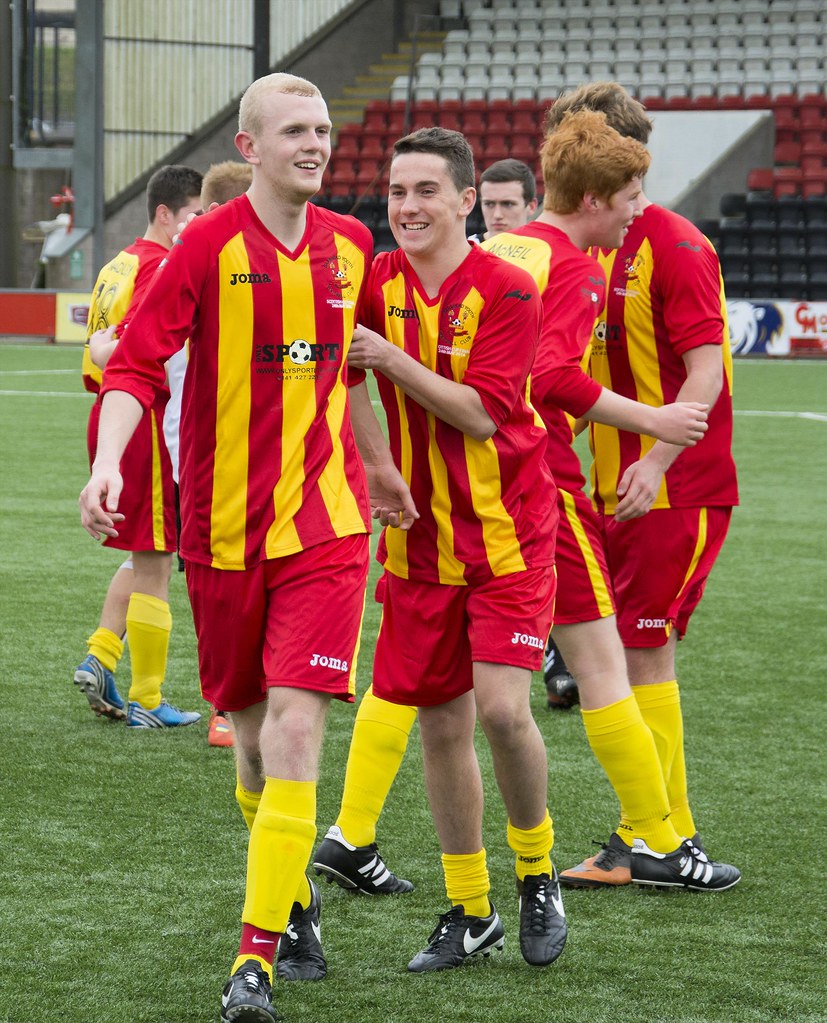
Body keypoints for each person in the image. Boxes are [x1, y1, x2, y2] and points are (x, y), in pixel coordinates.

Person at [79, 72, 415, 1023]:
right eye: (296, 131)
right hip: (220, 536)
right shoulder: (200, 250)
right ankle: (293, 893)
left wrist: (380, 468)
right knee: (257, 747)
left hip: (327, 527)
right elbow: (136, 368)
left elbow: (354, 368)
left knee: (300, 730)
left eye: (324, 130)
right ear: (251, 143)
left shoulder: (352, 247)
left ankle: (255, 957)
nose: (318, 144)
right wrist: (107, 465)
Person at [482, 108, 739, 893]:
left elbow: (705, 370)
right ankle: (651, 835)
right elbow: (549, 373)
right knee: (615, 653)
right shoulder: (560, 251)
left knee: (636, 649)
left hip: (669, 487)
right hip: (584, 482)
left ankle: (657, 831)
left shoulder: (674, 244)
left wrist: (658, 455)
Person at [312, 152, 568, 896]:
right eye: (395, 192)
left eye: (426, 191)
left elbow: (480, 415)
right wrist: (378, 467)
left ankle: (534, 868)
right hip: (416, 541)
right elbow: (346, 375)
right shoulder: (374, 279)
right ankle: (469, 902)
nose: (407, 205)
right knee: (439, 723)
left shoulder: (507, 287)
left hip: (506, 532)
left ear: (465, 201)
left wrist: (388, 354)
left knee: (503, 713)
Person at [74, 164, 204, 729]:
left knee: (146, 552)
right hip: (144, 419)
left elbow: (99, 349)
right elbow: (129, 350)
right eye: (195, 215)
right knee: (157, 559)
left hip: (111, 414)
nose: (199, 226)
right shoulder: (160, 266)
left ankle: (100, 657)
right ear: (166, 214)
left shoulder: (117, 263)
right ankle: (148, 701)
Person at [162, 160, 255, 750]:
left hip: (241, 453)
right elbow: (129, 344)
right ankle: (222, 700)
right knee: (193, 574)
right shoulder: (196, 257)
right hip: (201, 457)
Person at [468, 157, 538, 242]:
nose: (497, 215)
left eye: (508, 204)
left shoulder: (547, 251)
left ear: (531, 206)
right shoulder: (466, 251)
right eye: (489, 204)